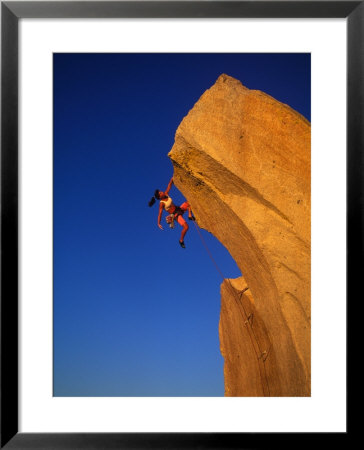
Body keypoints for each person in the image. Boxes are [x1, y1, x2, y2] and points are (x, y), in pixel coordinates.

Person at [148, 177, 195, 248]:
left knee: (189, 202)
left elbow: (169, 185)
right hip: (175, 215)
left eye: (161, 191)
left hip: (179, 209)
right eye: (160, 193)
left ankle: (189, 216)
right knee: (186, 227)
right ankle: (181, 240)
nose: (162, 192)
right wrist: (158, 223)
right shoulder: (162, 203)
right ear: (159, 197)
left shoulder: (166, 194)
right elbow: (160, 213)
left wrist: (172, 178)